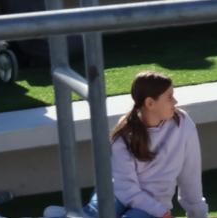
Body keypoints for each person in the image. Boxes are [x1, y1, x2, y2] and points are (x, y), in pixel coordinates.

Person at [88, 72, 207, 218]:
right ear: (150, 103)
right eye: (169, 97)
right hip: (118, 193)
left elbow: (191, 176)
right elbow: (126, 188)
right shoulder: (124, 134)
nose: (175, 101)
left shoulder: (183, 123)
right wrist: (161, 212)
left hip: (153, 204)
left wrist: (199, 214)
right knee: (94, 213)